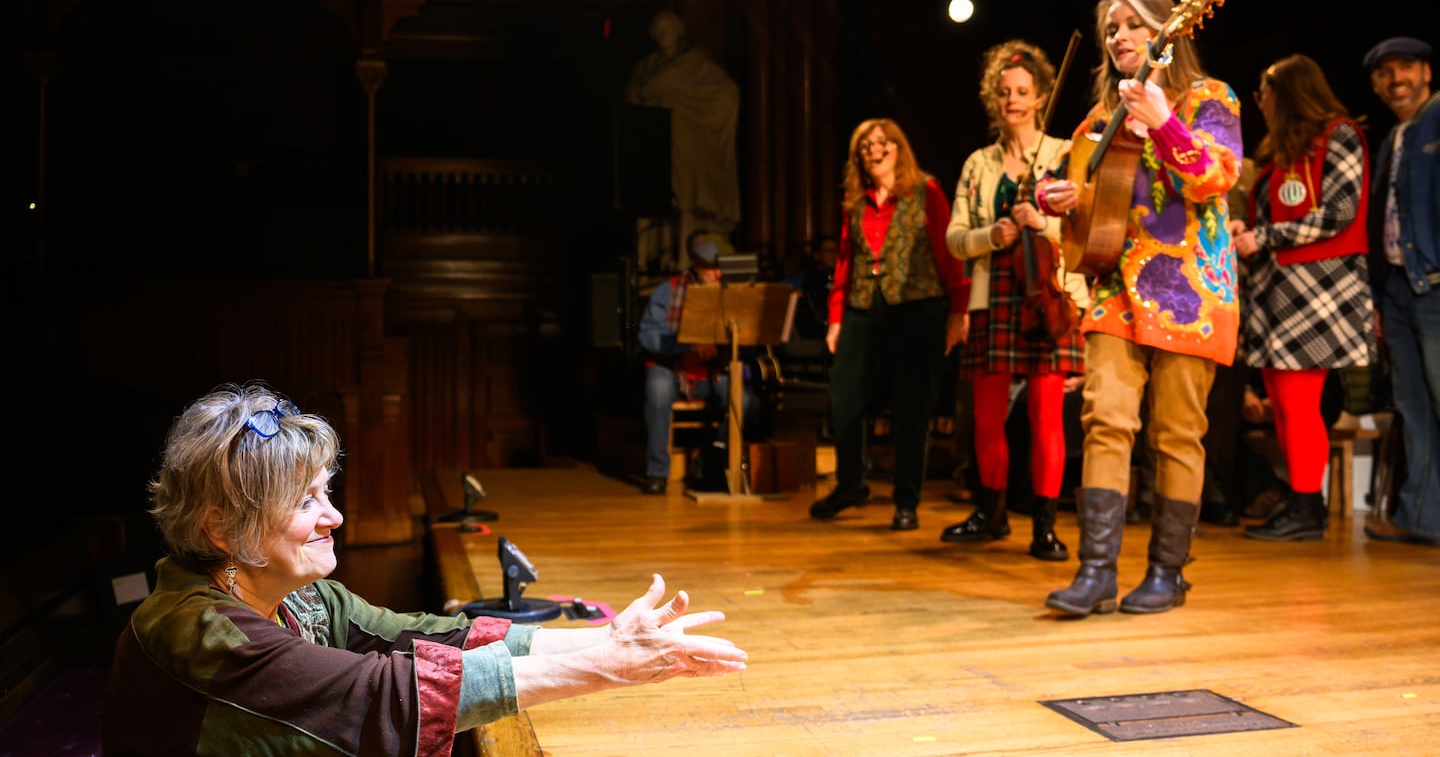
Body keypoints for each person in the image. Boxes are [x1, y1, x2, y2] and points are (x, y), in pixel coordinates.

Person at [101, 382, 747, 755]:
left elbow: (422, 634)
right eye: (304, 502)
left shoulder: (300, 597)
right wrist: (608, 668)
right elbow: (376, 693)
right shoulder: (195, 628)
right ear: (222, 528)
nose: (335, 518)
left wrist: (604, 639)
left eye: (327, 492)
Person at [1040, 0, 1243, 616]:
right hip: (1115, 288)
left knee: (1178, 434)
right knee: (1105, 422)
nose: (1120, 36)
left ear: (1170, 31)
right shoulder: (1098, 121)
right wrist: (1062, 199)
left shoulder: (1212, 97)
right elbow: (1074, 184)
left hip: (1191, 290)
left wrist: (1165, 122)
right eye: (1111, 28)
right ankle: (1096, 570)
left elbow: (1217, 177)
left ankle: (1167, 572)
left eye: (1134, 25)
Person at [942, 39, 1089, 560]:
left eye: (1023, 91)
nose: (1013, 100)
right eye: (1004, 92)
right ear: (993, 98)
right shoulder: (978, 164)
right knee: (986, 416)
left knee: (1047, 415)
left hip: (1045, 295)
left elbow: (1083, 227)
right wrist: (991, 236)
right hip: (994, 296)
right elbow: (954, 237)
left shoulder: (1063, 153)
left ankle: (1045, 525)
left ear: (1040, 96)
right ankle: (990, 512)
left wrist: (1042, 221)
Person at [1228, 54, 1375, 542]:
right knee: (1283, 401)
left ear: (1287, 92)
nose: (1260, 103)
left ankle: (1308, 507)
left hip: (1319, 288)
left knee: (1298, 400)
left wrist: (1263, 237)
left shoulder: (1339, 135)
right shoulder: (1280, 153)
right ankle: (1302, 500)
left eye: (1263, 93)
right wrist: (1245, 231)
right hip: (1277, 290)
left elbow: (1340, 210)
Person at [808, 118, 969, 531]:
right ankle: (850, 484)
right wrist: (836, 318)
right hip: (865, 305)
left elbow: (949, 256)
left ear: (899, 149)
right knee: (844, 397)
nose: (874, 151)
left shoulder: (926, 192)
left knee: (912, 407)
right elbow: (846, 262)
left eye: (883, 143)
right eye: (866, 146)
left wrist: (958, 310)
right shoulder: (855, 201)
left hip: (919, 306)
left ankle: (906, 500)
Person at [1361, 36, 1440, 547]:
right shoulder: (1392, 138)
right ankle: (1422, 517)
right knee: (1414, 406)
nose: (1397, 79)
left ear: (1427, 72)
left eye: (1406, 67)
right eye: (1386, 72)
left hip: (1436, 285)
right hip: (1400, 289)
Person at [637, 230, 754, 495]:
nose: (717, 274)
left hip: (712, 372)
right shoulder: (669, 290)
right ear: (696, 266)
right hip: (673, 369)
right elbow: (648, 335)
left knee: (742, 400)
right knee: (657, 391)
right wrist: (688, 344)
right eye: (711, 268)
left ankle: (710, 463)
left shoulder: (730, 292)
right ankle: (657, 472)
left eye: (720, 268)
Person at [624, 11, 742, 271]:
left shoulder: (695, 64)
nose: (663, 32)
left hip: (686, 140)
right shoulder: (644, 68)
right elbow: (632, 98)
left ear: (680, 31)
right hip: (654, 141)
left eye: (668, 27)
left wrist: (696, 112)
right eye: (658, 28)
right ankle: (644, 263)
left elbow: (727, 92)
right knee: (650, 203)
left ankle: (684, 260)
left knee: (685, 201)